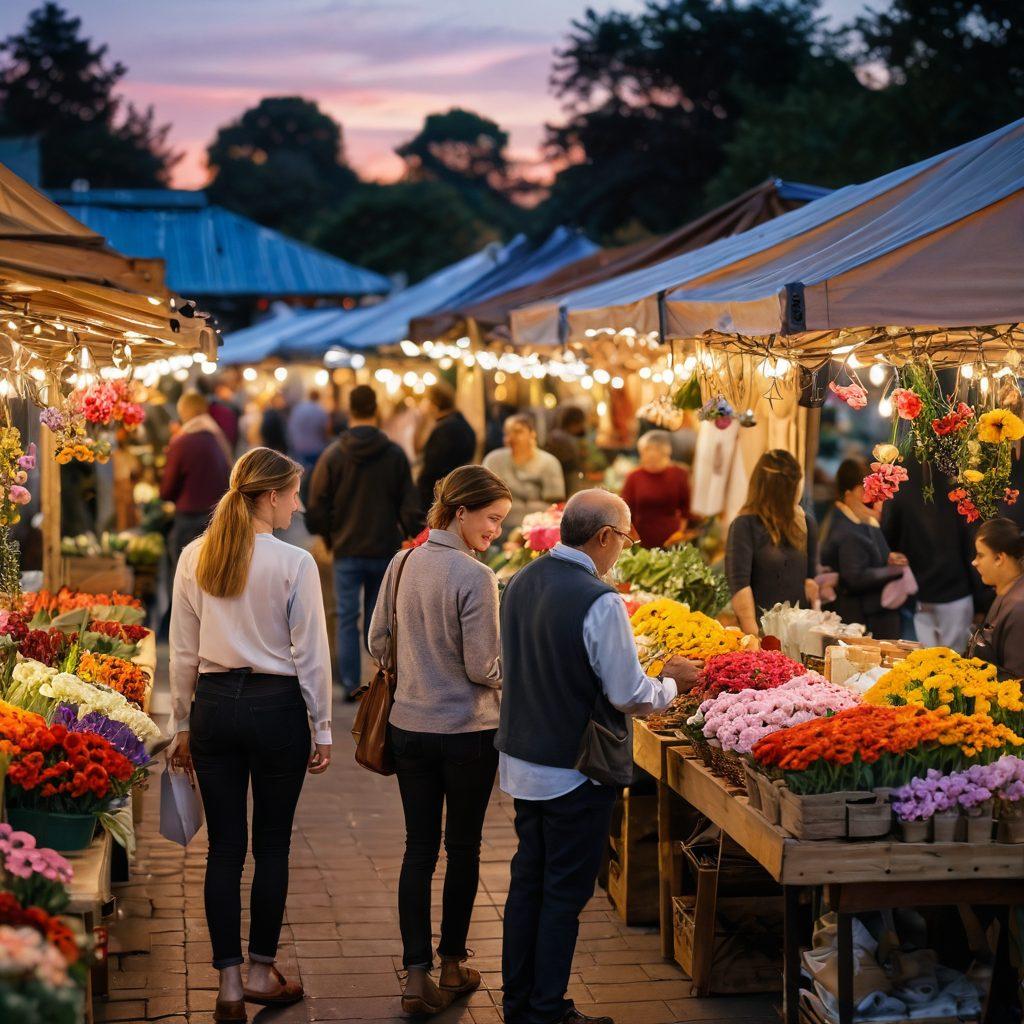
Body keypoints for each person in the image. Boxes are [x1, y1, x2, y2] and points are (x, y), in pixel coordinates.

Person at [497, 489, 699, 1024]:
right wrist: (670, 683)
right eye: (625, 539)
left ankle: (519, 1002)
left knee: (528, 886)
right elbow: (627, 693)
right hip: (573, 767)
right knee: (563, 893)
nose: (623, 550)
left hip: (522, 760)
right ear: (604, 536)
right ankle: (547, 1009)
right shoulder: (598, 599)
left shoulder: (520, 582)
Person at [168, 447, 333, 1024]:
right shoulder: (295, 562)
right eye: (292, 494)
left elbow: (182, 651)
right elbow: (312, 653)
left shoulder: (195, 556)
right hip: (275, 708)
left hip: (213, 707)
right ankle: (263, 968)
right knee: (272, 846)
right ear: (268, 497)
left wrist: (182, 724)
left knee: (225, 850)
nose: (298, 504)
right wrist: (324, 726)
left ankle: (232, 986)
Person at [368, 466, 512, 1016]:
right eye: (492, 518)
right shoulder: (476, 577)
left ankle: (416, 974)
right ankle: (453, 963)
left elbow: (378, 639)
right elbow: (483, 667)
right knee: (464, 849)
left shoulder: (402, 563)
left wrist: (418, 672)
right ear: (460, 512)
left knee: (418, 849)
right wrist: (516, 672)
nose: (496, 530)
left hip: (409, 729)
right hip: (468, 734)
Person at [306, 385, 421, 698]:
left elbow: (317, 503)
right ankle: (377, 682)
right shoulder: (394, 454)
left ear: (350, 410)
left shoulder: (334, 454)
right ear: (376, 410)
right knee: (379, 618)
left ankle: (349, 684)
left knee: (346, 617)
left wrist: (328, 536)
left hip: (346, 548)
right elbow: (409, 504)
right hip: (384, 547)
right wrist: (411, 533)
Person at [882, 458, 979, 651]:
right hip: (956, 590)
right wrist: (982, 599)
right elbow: (970, 543)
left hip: (918, 590)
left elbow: (888, 535)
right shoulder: (958, 484)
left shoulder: (902, 483)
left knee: (922, 663)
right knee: (954, 662)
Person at [725, 449, 819, 636]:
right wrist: (754, 638)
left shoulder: (806, 522)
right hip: (761, 633)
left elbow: (809, 579)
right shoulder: (745, 525)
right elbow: (739, 586)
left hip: (799, 634)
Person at [819, 458, 907, 640]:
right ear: (857, 491)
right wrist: (894, 571)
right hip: (858, 620)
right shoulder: (847, 528)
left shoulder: (857, 521)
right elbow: (854, 576)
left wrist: (889, 559)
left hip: (866, 616)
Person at [160, 392, 231, 579]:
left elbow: (167, 490)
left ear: (184, 413)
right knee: (210, 576)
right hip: (215, 517)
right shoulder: (217, 438)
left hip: (188, 520)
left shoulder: (181, 443)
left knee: (184, 575)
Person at [483, 413, 565, 535]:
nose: (511, 438)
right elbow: (485, 497)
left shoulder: (549, 462)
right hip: (499, 527)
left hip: (538, 529)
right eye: (507, 433)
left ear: (532, 434)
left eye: (518, 432)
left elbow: (555, 505)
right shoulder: (494, 460)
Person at [969, 517, 1024, 677]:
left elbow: (1017, 683)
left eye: (980, 555)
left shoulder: (1019, 608)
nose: (975, 562)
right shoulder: (1006, 591)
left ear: (1000, 558)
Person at [620, 430, 693, 547]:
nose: (648, 455)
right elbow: (625, 510)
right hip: (641, 538)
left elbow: (686, 509)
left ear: (664, 453)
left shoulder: (679, 474)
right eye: (645, 451)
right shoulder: (634, 477)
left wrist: (680, 533)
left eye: (653, 450)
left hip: (672, 538)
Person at [417, 382, 477, 511]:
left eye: (426, 400)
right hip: (459, 493)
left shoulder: (444, 429)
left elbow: (432, 471)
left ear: (434, 403)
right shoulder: (462, 423)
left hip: (442, 500)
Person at [286, 390, 330, 475]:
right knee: (314, 474)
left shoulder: (298, 409)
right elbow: (326, 430)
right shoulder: (320, 411)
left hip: (299, 447)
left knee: (299, 474)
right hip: (315, 448)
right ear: (318, 397)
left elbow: (291, 426)